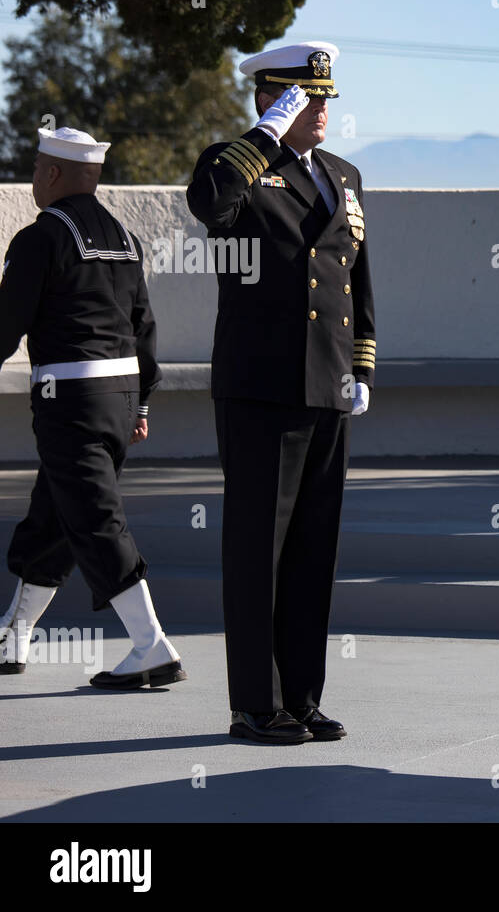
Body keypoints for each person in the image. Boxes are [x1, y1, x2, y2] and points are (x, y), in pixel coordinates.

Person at [186, 41, 375, 744]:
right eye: (308, 96)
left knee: (311, 552)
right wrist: (262, 136)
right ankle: (255, 706)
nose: (323, 108)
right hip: (261, 387)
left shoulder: (343, 175)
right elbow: (210, 206)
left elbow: (356, 278)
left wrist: (362, 368)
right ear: (274, 96)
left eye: (326, 96)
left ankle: (301, 695)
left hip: (327, 385)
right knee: (256, 550)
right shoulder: (233, 166)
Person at [0, 127, 185, 689]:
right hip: (121, 397)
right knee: (55, 516)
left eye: (36, 167)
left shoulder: (41, 238)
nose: (33, 176)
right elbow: (143, 330)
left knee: (94, 518)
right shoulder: (125, 239)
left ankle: (152, 646)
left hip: (70, 400)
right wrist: (142, 407)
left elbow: (6, 329)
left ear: (54, 174)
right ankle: (14, 635)